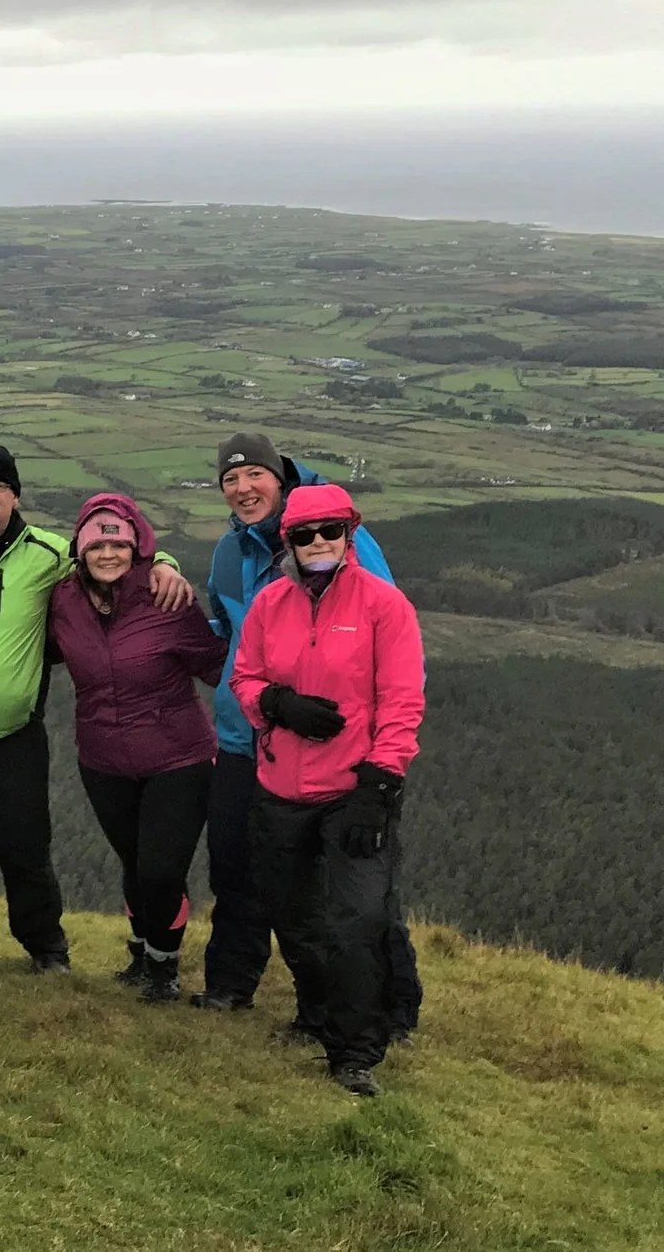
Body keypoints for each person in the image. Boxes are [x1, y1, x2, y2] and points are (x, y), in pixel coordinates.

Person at [0, 442, 195, 971]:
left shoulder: (50, 554)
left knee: (26, 847)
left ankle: (46, 947)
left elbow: (112, 557)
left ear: (15, 496)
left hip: (16, 736)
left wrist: (162, 561)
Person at [200, 432, 420, 1034]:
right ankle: (234, 984)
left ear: (280, 477)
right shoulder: (229, 551)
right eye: (230, 479)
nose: (244, 488)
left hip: (342, 754)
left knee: (357, 891)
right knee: (243, 868)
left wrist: (383, 762)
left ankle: (392, 1008)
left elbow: (393, 651)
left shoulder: (336, 534)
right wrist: (267, 701)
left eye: (255, 475)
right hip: (247, 739)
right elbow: (227, 636)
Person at [45, 493, 227, 1003]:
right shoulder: (62, 601)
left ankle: (163, 968)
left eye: (119, 544)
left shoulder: (166, 597)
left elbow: (216, 665)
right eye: (96, 545)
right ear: (80, 551)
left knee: (160, 870)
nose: (108, 554)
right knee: (134, 862)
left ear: (137, 547)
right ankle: (142, 952)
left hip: (179, 758)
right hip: (102, 759)